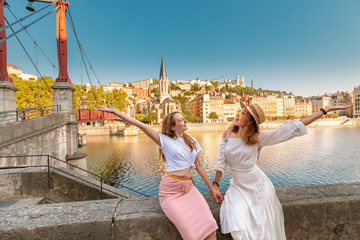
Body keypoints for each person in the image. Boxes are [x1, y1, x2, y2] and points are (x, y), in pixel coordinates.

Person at [212, 102, 353, 240]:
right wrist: (215, 184)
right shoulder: (227, 135)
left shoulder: (259, 138)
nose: (237, 114)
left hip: (258, 187)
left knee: (260, 230)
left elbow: (291, 128)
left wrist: (325, 110)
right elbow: (221, 162)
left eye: (243, 113)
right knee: (235, 221)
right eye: (239, 111)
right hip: (238, 187)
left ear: (250, 122)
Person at [96, 106, 222, 240]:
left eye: (184, 119)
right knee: (192, 236)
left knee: (210, 227)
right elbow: (140, 125)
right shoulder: (164, 140)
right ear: (173, 127)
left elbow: (199, 166)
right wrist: (116, 112)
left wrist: (212, 188)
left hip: (189, 190)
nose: (185, 121)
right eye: (181, 120)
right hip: (171, 193)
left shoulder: (192, 142)